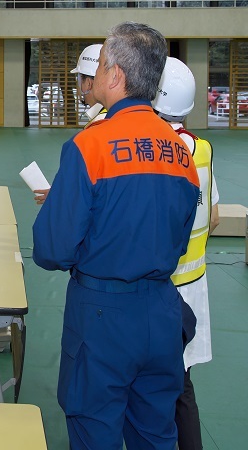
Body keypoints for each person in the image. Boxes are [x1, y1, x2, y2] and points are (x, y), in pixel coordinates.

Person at [32, 22, 201, 450]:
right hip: (162, 312)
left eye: (102, 61)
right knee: (155, 434)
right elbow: (178, 238)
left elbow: (52, 249)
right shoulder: (181, 152)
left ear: (115, 76)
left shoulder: (90, 147)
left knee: (94, 432)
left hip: (103, 317)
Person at [153, 56, 220, 450]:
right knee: (182, 387)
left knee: (144, 386)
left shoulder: (155, 151)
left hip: (159, 291)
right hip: (193, 287)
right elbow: (211, 216)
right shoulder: (204, 149)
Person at [33, 44, 106, 206]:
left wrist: (62, 195)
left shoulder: (99, 125)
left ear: (88, 83)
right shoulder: (111, 116)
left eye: (79, 79)